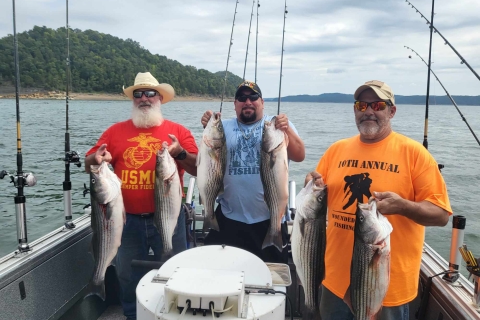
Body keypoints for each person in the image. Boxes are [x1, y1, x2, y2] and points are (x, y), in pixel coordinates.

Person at [306, 80, 452, 320]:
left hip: (385, 288)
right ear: (355, 110)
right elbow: (318, 195)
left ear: (391, 111)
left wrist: (403, 206)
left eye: (378, 105)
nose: (369, 111)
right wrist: (311, 184)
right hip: (334, 281)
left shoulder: (415, 154)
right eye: (362, 105)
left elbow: (441, 215)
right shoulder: (336, 150)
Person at [85, 72, 198, 320]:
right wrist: (95, 159)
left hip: (170, 217)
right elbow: (90, 162)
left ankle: (173, 314)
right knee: (126, 274)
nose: (144, 98)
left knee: (174, 270)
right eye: (138, 94)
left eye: (149, 93)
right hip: (126, 221)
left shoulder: (177, 132)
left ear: (160, 98)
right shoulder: (114, 132)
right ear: (133, 99)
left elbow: (198, 168)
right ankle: (132, 315)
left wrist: (179, 153)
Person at [200, 80, 305, 263]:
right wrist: (208, 123)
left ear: (262, 102)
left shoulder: (278, 126)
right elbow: (207, 161)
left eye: (253, 97)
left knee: (271, 280)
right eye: (242, 98)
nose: (247, 102)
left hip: (268, 217)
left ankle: (275, 236)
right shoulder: (222, 127)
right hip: (229, 217)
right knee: (223, 273)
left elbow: (299, 155)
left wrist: (287, 130)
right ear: (235, 104)